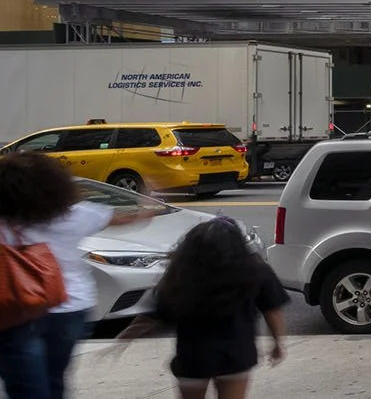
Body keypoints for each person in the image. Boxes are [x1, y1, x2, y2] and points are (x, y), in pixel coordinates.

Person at [0, 151, 154, 399]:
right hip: (70, 305)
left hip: (16, 308)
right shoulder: (79, 215)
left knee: (25, 385)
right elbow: (131, 219)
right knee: (55, 378)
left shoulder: (5, 222)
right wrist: (150, 199)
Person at [126, 218, 288, 399]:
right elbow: (272, 310)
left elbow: (160, 314)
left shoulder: (181, 273)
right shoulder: (255, 269)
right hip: (236, 355)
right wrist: (277, 343)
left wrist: (125, 337)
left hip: (193, 357)